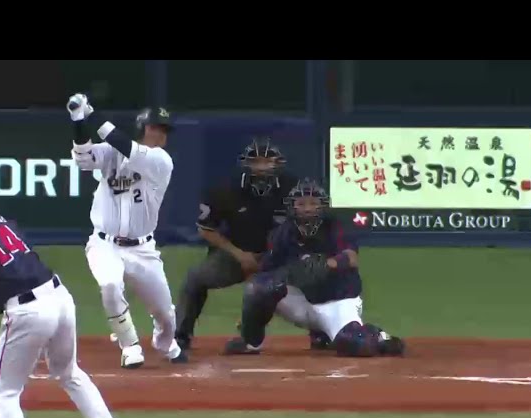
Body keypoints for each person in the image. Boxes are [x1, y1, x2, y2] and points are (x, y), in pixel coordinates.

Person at [0, 167, 113, 418]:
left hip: (27, 311)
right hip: (60, 297)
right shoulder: (0, 221)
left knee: (6, 395)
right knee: (70, 374)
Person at [223, 178, 406, 357]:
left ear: (322, 205)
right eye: (301, 203)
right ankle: (251, 342)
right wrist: (254, 314)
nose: (307, 208)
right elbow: (265, 272)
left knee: (356, 344)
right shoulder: (283, 233)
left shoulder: (335, 226)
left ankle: (379, 336)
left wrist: (327, 264)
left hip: (338, 300)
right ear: (292, 206)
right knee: (258, 288)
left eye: (313, 203)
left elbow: (351, 258)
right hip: (301, 300)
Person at [67, 93, 186, 368]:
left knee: (165, 314)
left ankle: (165, 343)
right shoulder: (111, 154)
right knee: (110, 285)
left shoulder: (160, 160)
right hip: (104, 244)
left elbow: (122, 143)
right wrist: (78, 120)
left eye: (165, 130)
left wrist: (91, 114)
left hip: (143, 248)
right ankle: (129, 345)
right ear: (142, 127)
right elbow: (83, 157)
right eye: (155, 127)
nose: (161, 134)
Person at [174, 138, 298, 350]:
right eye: (256, 162)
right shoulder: (226, 189)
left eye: (267, 161)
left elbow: (303, 228)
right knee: (195, 278)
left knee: (313, 270)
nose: (262, 168)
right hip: (236, 254)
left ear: (277, 164)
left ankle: (320, 333)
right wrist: (239, 255)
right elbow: (206, 229)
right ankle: (181, 335)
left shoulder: (292, 188)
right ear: (246, 164)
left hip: (279, 256)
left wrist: (272, 257)